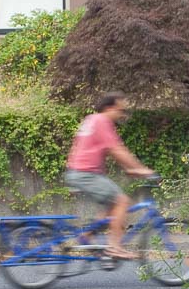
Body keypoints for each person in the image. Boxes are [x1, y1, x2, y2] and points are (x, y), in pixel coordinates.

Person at [64, 93, 156, 260]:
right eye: (120, 110)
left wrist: (131, 170)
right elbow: (117, 150)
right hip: (86, 174)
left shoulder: (91, 119)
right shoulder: (102, 121)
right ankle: (115, 248)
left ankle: (87, 236)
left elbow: (105, 148)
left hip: (79, 172)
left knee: (110, 209)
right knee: (122, 201)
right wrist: (142, 169)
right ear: (109, 108)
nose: (122, 114)